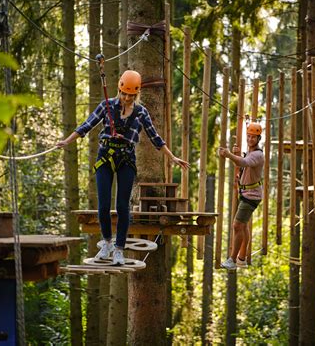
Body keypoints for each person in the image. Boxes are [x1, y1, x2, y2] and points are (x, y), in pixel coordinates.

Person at [57, 70, 189, 265]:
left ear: (137, 94)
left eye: (131, 95)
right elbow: (86, 126)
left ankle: (119, 249)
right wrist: (66, 141)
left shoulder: (141, 112)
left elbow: (156, 139)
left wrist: (172, 157)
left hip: (126, 159)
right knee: (103, 206)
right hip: (106, 157)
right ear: (119, 89)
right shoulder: (107, 106)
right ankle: (107, 243)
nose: (127, 98)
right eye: (124, 94)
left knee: (122, 206)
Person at [218, 122, 264, 270]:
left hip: (251, 195)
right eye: (249, 136)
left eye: (253, 137)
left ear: (258, 139)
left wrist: (229, 155)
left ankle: (232, 260)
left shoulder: (257, 155)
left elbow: (244, 163)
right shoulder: (249, 153)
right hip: (245, 193)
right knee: (243, 226)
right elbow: (240, 166)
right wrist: (236, 155)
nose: (250, 139)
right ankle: (242, 258)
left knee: (237, 225)